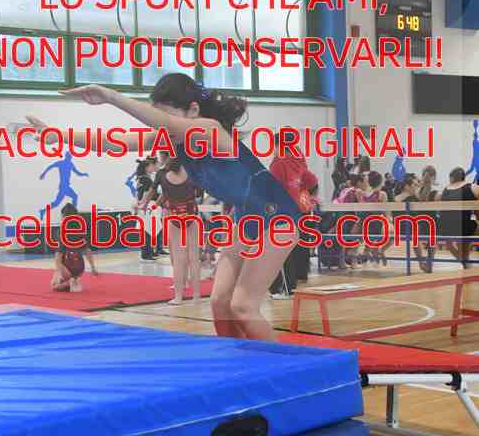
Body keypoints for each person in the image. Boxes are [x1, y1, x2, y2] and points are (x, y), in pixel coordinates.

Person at [27, 74, 305, 341]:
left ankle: (279, 368)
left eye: (165, 118)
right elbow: (116, 143)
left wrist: (111, 96)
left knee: (243, 307)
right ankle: (237, 359)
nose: (161, 130)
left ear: (193, 110)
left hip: (277, 219)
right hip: (247, 221)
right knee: (220, 302)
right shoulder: (172, 138)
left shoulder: (210, 130)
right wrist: (58, 135)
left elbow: (165, 122)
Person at [268, 131, 315, 297]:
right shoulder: (299, 160)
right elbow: (312, 181)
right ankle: (294, 282)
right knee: (296, 247)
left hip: (283, 210)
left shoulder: (278, 162)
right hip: (300, 210)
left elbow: (273, 188)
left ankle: (283, 288)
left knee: (281, 249)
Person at [159, 157, 201, 305]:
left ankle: (178, 297)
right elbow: (199, 193)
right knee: (194, 258)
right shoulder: (192, 173)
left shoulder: (163, 176)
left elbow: (164, 197)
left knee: (178, 259)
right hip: (191, 215)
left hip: (174, 216)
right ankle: (196, 296)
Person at [52, 202, 99, 292]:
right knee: (59, 283)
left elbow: (58, 254)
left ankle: (69, 280)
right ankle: (74, 279)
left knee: (54, 285)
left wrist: (58, 272)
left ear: (64, 216)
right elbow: (87, 250)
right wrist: (93, 267)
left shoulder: (62, 231)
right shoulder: (81, 230)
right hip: (80, 267)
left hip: (68, 264)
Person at [437, 167, 479, 268]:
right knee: (468, 229)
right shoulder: (472, 187)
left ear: (451, 178)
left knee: (457, 239)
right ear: (464, 177)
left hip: (446, 228)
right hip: (465, 227)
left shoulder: (445, 190)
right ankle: (466, 262)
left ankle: (465, 263)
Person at [135, 157, 159, 261]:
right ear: (146, 168)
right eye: (150, 166)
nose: (152, 167)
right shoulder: (146, 179)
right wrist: (144, 204)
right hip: (146, 206)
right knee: (147, 230)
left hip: (143, 205)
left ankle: (148, 252)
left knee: (146, 230)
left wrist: (139, 203)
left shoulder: (139, 179)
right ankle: (146, 253)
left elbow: (139, 194)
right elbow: (146, 193)